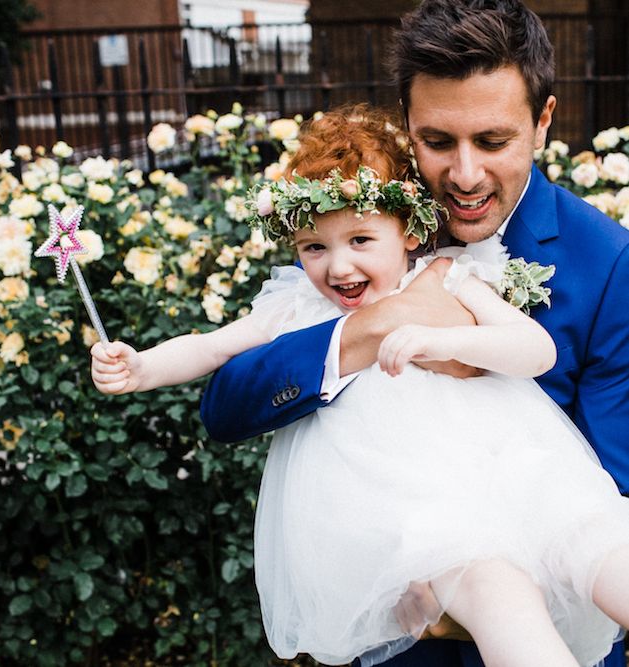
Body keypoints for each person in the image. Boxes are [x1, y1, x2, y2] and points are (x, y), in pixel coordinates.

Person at [91, 106, 629, 667]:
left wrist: (445, 341)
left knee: (602, 547)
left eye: (361, 239)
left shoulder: (445, 279)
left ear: (411, 231)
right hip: (420, 519)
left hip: (516, 475)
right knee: (501, 598)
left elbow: (536, 350)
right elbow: (211, 347)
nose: (337, 266)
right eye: (314, 247)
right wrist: (142, 368)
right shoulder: (297, 307)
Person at [197, 2, 629, 666]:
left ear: (541, 122)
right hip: (396, 643)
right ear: (407, 125)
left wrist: (479, 590)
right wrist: (373, 327)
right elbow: (226, 404)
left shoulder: (604, 262)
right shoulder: (361, 224)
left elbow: (608, 481)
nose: (462, 175)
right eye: (436, 141)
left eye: (491, 141)